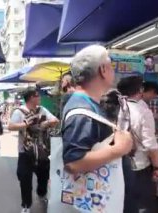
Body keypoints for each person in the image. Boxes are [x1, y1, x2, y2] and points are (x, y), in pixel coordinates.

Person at [61, 45, 133, 212]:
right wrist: (119, 149)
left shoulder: (87, 104)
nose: (113, 71)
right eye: (111, 65)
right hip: (95, 202)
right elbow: (73, 162)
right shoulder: (82, 111)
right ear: (103, 69)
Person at [8, 87, 59, 213]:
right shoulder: (19, 112)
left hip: (42, 151)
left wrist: (45, 123)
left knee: (44, 177)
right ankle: (26, 205)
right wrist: (25, 124)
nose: (40, 98)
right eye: (38, 96)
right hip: (25, 152)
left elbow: (55, 120)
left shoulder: (42, 110)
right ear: (31, 97)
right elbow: (11, 126)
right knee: (25, 180)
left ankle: (41, 195)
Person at [117, 76, 158, 213]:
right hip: (139, 166)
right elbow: (151, 145)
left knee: (125, 203)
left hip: (120, 162)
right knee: (142, 205)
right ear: (140, 89)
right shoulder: (143, 111)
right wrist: (157, 168)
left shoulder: (120, 107)